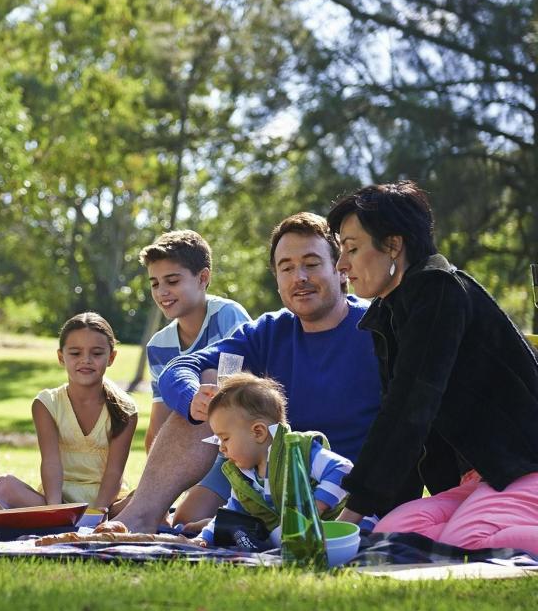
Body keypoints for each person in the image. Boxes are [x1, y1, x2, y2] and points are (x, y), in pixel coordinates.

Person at [113, 212, 383, 533]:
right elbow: (181, 369)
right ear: (277, 279)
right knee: (207, 397)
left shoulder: (379, 327)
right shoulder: (269, 330)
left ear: (340, 270)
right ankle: (137, 518)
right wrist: (193, 398)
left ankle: (231, 528)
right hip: (267, 481)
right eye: (286, 268)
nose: (299, 277)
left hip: (346, 490)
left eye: (311, 264)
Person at [328, 181, 538, 553]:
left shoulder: (439, 290)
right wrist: (369, 513)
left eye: (352, 249)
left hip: (522, 467)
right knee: (393, 534)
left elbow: (410, 407)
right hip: (476, 479)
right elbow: (403, 425)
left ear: (393, 245)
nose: (341, 265)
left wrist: (350, 514)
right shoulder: (390, 312)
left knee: (465, 542)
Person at [0, 312, 137, 514]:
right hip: (58, 498)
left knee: (150, 495)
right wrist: (55, 509)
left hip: (107, 503)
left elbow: (114, 472)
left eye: (96, 353)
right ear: (61, 357)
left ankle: (88, 522)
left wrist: (98, 512)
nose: (85, 360)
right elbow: (50, 462)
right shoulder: (46, 403)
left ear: (111, 357)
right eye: (75, 353)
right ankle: (57, 519)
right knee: (3, 486)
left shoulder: (125, 408)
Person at [194, 373, 354, 546]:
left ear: (258, 432)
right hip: (298, 539)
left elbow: (343, 470)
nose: (221, 447)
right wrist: (203, 538)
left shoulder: (296, 449)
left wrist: (311, 510)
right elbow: (232, 513)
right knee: (255, 535)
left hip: (343, 528)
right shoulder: (246, 476)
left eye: (225, 438)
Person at [139, 229, 250, 452]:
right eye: (155, 284)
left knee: (209, 380)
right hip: (198, 446)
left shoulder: (228, 316)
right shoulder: (159, 345)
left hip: (243, 435)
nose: (162, 292)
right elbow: (158, 425)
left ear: (203, 278)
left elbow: (237, 394)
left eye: (172, 281)